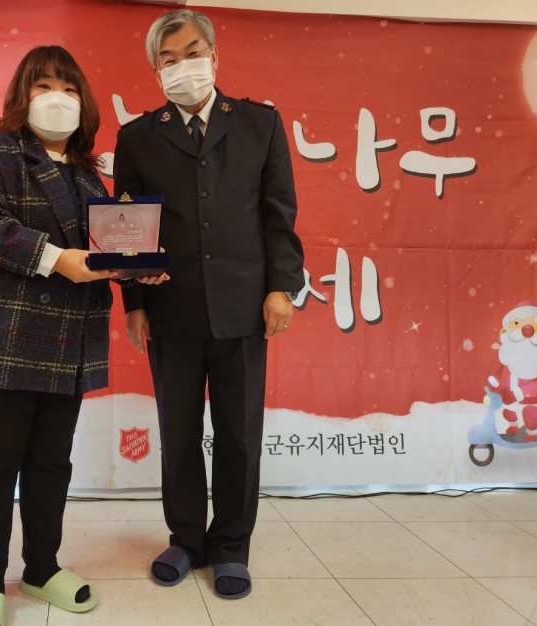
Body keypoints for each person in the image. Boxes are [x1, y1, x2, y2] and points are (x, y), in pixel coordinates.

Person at [113, 9, 305, 600]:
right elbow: (128, 231)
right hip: (169, 309)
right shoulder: (137, 137)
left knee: (239, 433)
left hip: (244, 306)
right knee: (177, 431)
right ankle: (187, 539)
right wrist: (133, 302)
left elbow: (279, 214)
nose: (182, 66)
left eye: (192, 53)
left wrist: (281, 287)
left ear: (214, 56)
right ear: (156, 71)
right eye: (168, 60)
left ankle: (231, 547)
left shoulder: (260, 123)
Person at [0, 45, 117, 626]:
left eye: (68, 88)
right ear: (23, 96)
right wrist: (55, 258)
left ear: (83, 101)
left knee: (50, 464)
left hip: (67, 342)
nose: (57, 98)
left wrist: (136, 265)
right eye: (43, 86)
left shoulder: (88, 172)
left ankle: (42, 567)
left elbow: (104, 248)